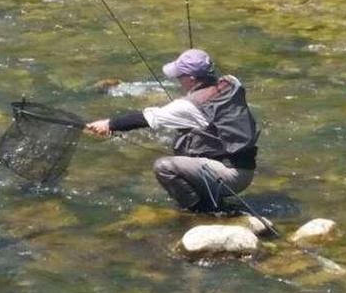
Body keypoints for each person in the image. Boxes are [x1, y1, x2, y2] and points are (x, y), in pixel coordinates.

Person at [85, 49, 259, 213]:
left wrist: (109, 124)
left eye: (180, 76)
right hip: (245, 168)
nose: (178, 79)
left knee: (164, 166)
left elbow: (146, 118)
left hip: (229, 177)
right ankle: (211, 199)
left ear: (191, 78)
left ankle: (201, 211)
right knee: (188, 140)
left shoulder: (187, 106)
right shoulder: (231, 84)